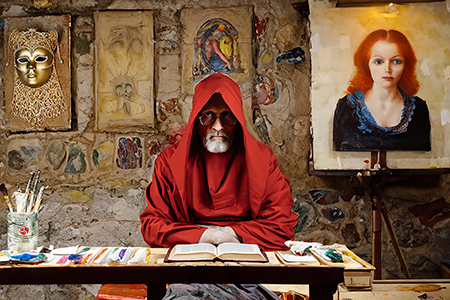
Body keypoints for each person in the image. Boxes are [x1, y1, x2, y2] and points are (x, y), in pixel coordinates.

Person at [140, 72, 297, 299]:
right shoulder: (170, 161)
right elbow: (152, 226)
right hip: (189, 266)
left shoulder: (262, 159)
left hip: (247, 264)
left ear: (238, 120)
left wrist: (230, 233)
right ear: (196, 119)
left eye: (227, 117)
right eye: (208, 116)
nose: (217, 126)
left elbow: (281, 226)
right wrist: (206, 235)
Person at [333, 29, 431, 151]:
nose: (387, 69)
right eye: (378, 61)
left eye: (396, 61)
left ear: (406, 65)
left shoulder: (419, 109)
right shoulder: (346, 107)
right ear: (366, 64)